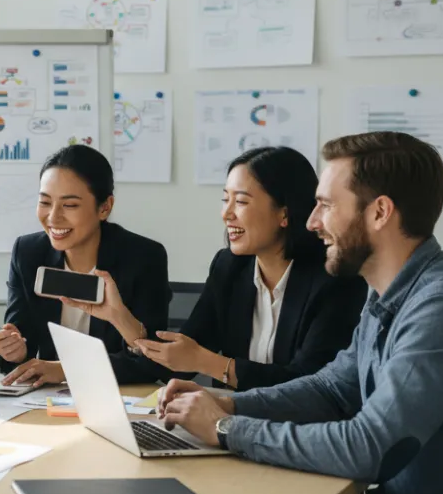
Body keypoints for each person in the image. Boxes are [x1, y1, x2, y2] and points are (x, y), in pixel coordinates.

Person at [159, 132, 443, 494]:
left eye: (326, 206)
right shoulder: (386, 294)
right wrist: (224, 403)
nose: (312, 223)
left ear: (379, 213)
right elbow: (333, 389)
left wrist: (228, 428)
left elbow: (369, 447)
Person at [130, 147, 365, 390]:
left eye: (241, 201)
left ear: (284, 214)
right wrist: (120, 317)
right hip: (225, 420)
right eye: (225, 200)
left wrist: (209, 362)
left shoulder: (335, 277)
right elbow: (180, 358)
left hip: (297, 425)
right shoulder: (229, 266)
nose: (226, 214)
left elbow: (308, 384)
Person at [0, 144, 170, 388]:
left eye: (69, 205)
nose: (53, 217)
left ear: (105, 207)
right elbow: (21, 349)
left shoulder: (143, 257)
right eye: (45, 202)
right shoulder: (28, 253)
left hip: (120, 397)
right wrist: (15, 351)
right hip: (49, 400)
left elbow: (152, 364)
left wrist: (67, 370)